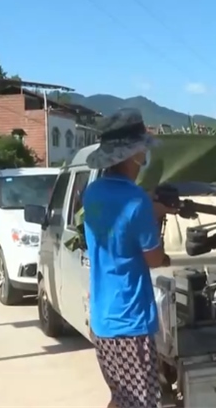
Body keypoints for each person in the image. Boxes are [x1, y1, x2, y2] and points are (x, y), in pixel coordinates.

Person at [82, 108, 173, 408]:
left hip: (102, 320)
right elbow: (154, 259)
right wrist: (154, 215)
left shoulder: (92, 193)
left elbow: (116, 225)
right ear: (132, 154)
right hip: (130, 321)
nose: (145, 154)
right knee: (141, 403)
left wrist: (148, 205)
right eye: (142, 148)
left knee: (121, 398)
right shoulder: (136, 202)